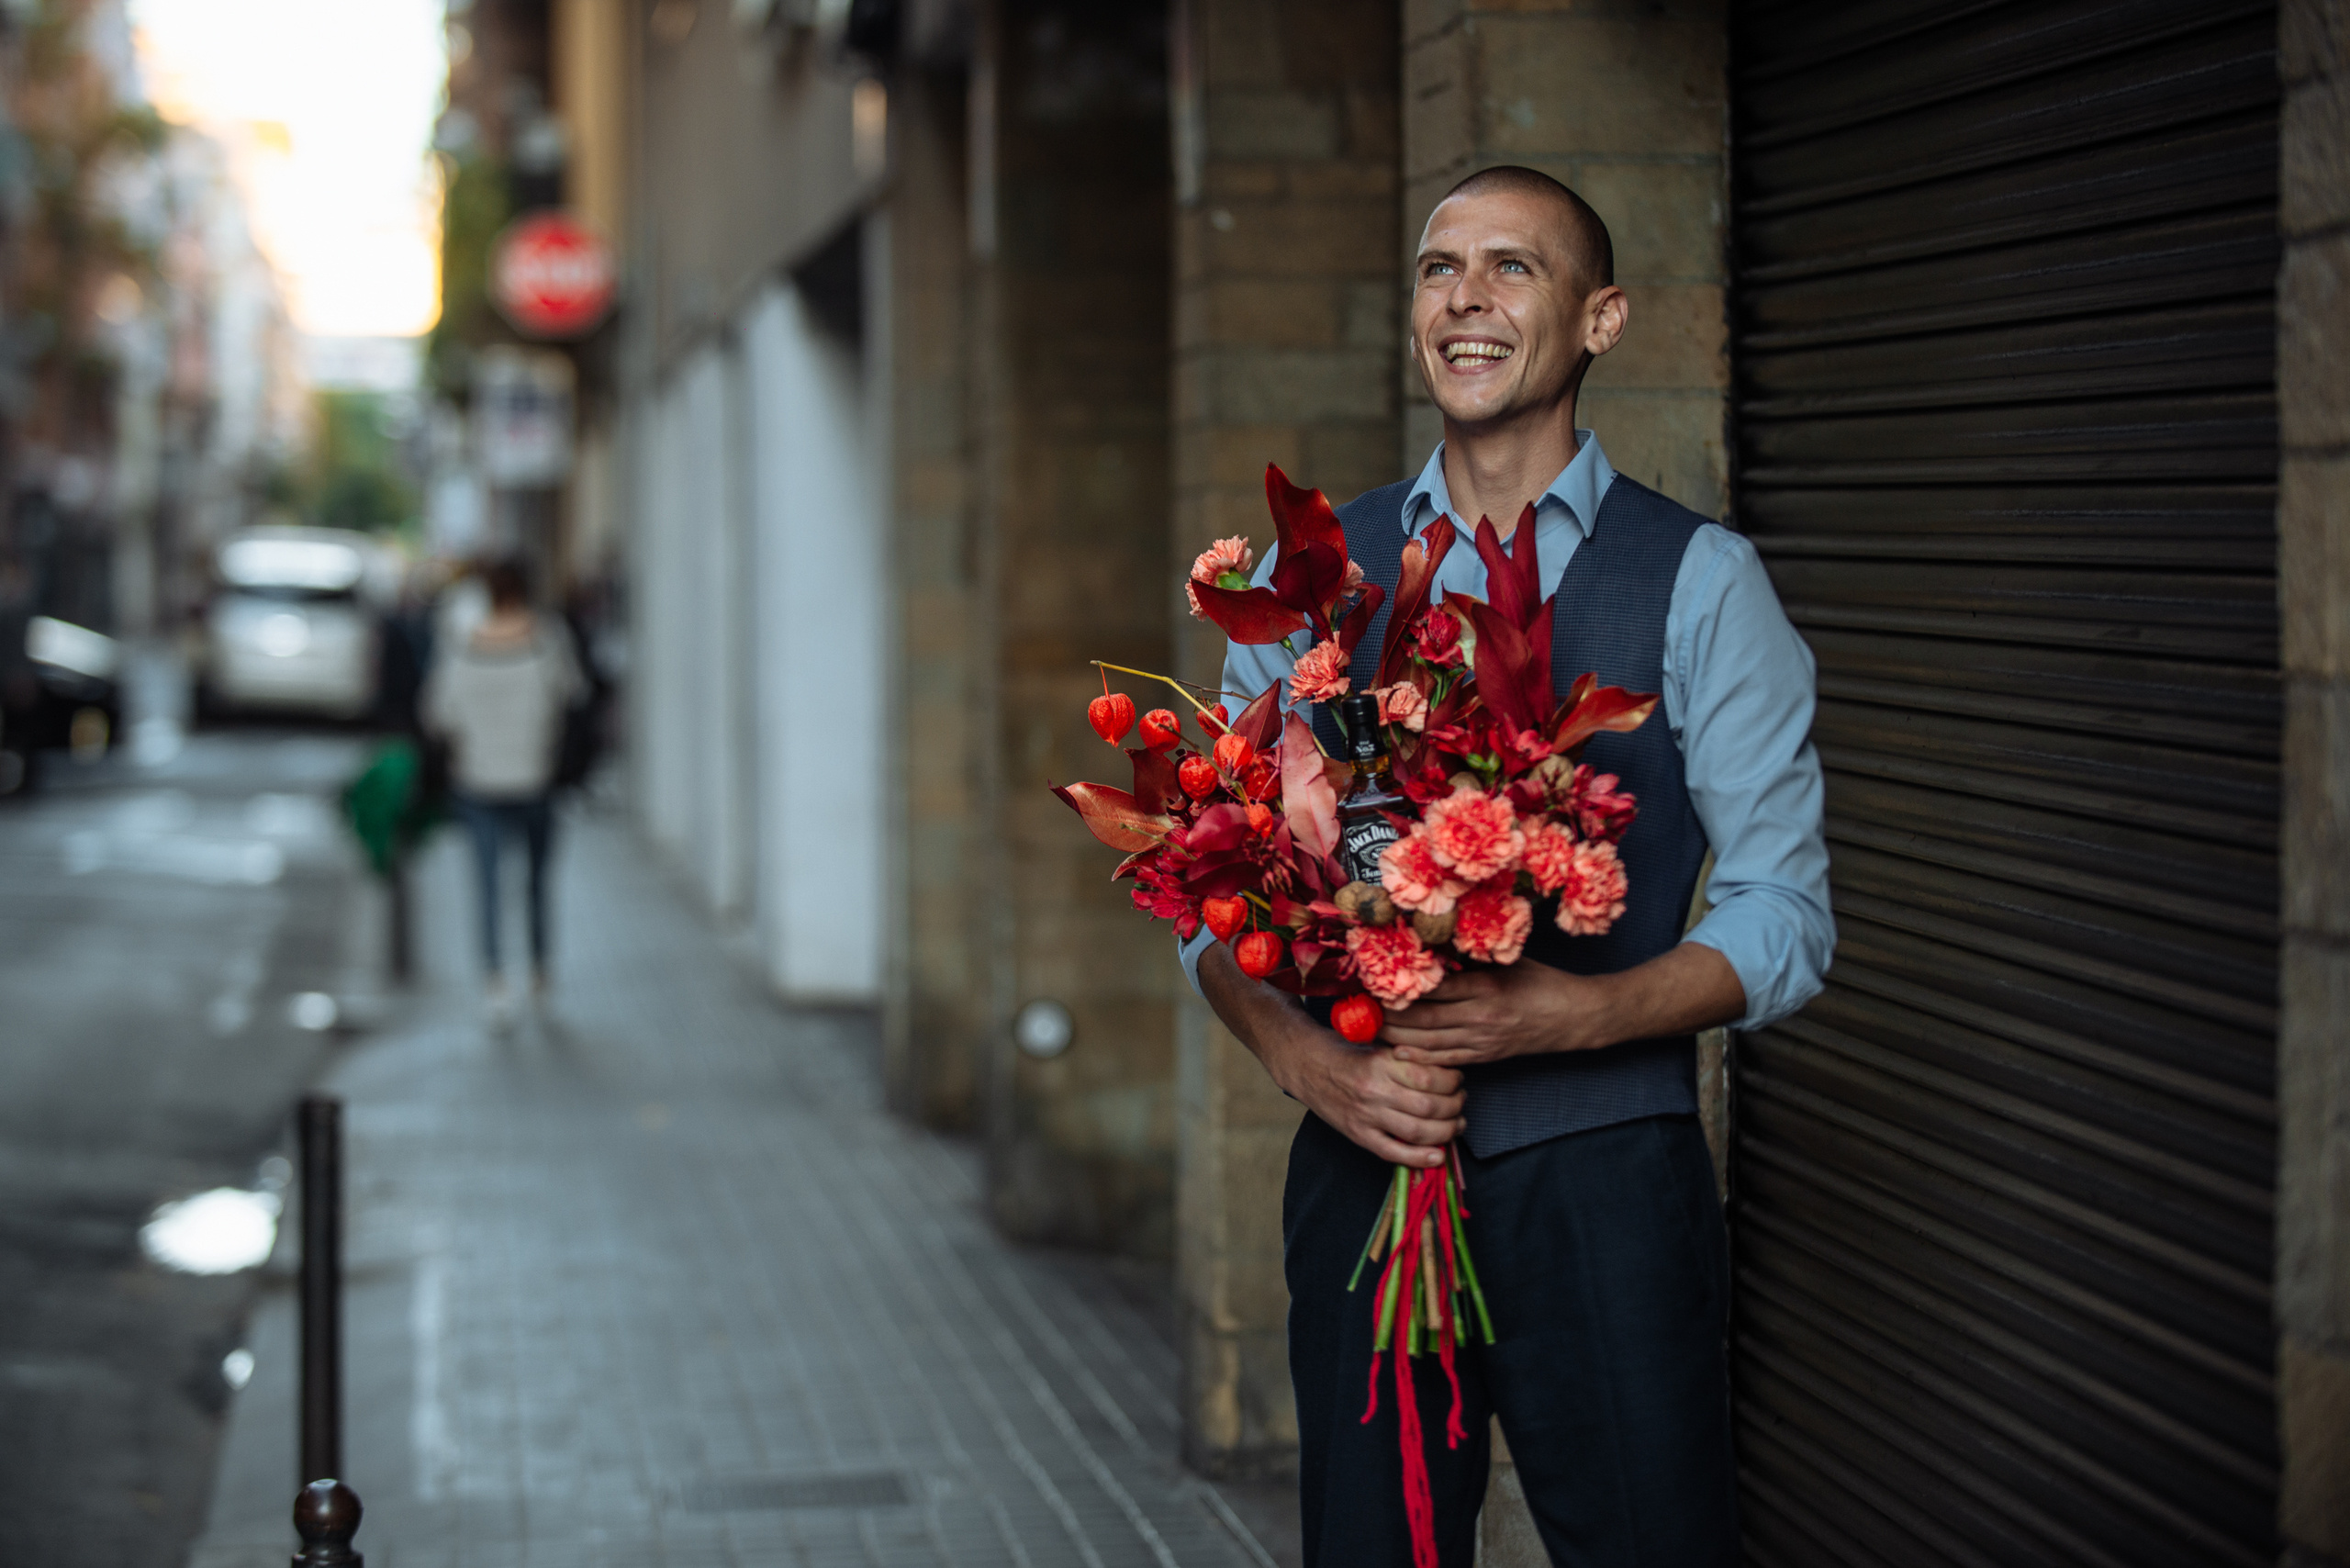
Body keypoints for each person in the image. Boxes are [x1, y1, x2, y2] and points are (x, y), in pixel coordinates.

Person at [1185, 166, 1834, 1565]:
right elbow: (1214, 894)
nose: (1465, 296)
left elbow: (1790, 914)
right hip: (1365, 1165)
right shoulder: (1314, 577)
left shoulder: (1704, 581)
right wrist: (1311, 1066)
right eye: (1438, 269)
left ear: (1601, 320)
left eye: (1511, 268)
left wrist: (1573, 1013)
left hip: (1609, 1183)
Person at [421, 556, 584, 1024]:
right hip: (537, 776)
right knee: (537, 882)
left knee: (487, 885)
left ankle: (495, 982)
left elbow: (439, 713)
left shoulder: (461, 645)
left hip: (478, 779)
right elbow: (572, 696)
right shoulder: (548, 640)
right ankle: (540, 972)